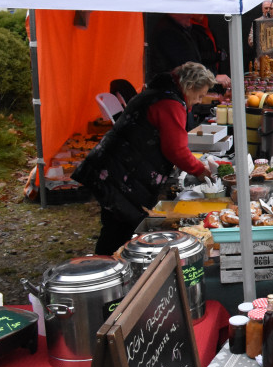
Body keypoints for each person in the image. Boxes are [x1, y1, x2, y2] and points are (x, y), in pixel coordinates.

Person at [74, 62, 215, 255]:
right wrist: (200, 170)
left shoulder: (157, 92)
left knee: (114, 226)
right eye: (199, 95)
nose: (199, 101)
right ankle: (109, 269)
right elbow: (176, 150)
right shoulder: (170, 103)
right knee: (118, 230)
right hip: (121, 173)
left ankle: (109, 265)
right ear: (190, 86)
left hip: (113, 167)